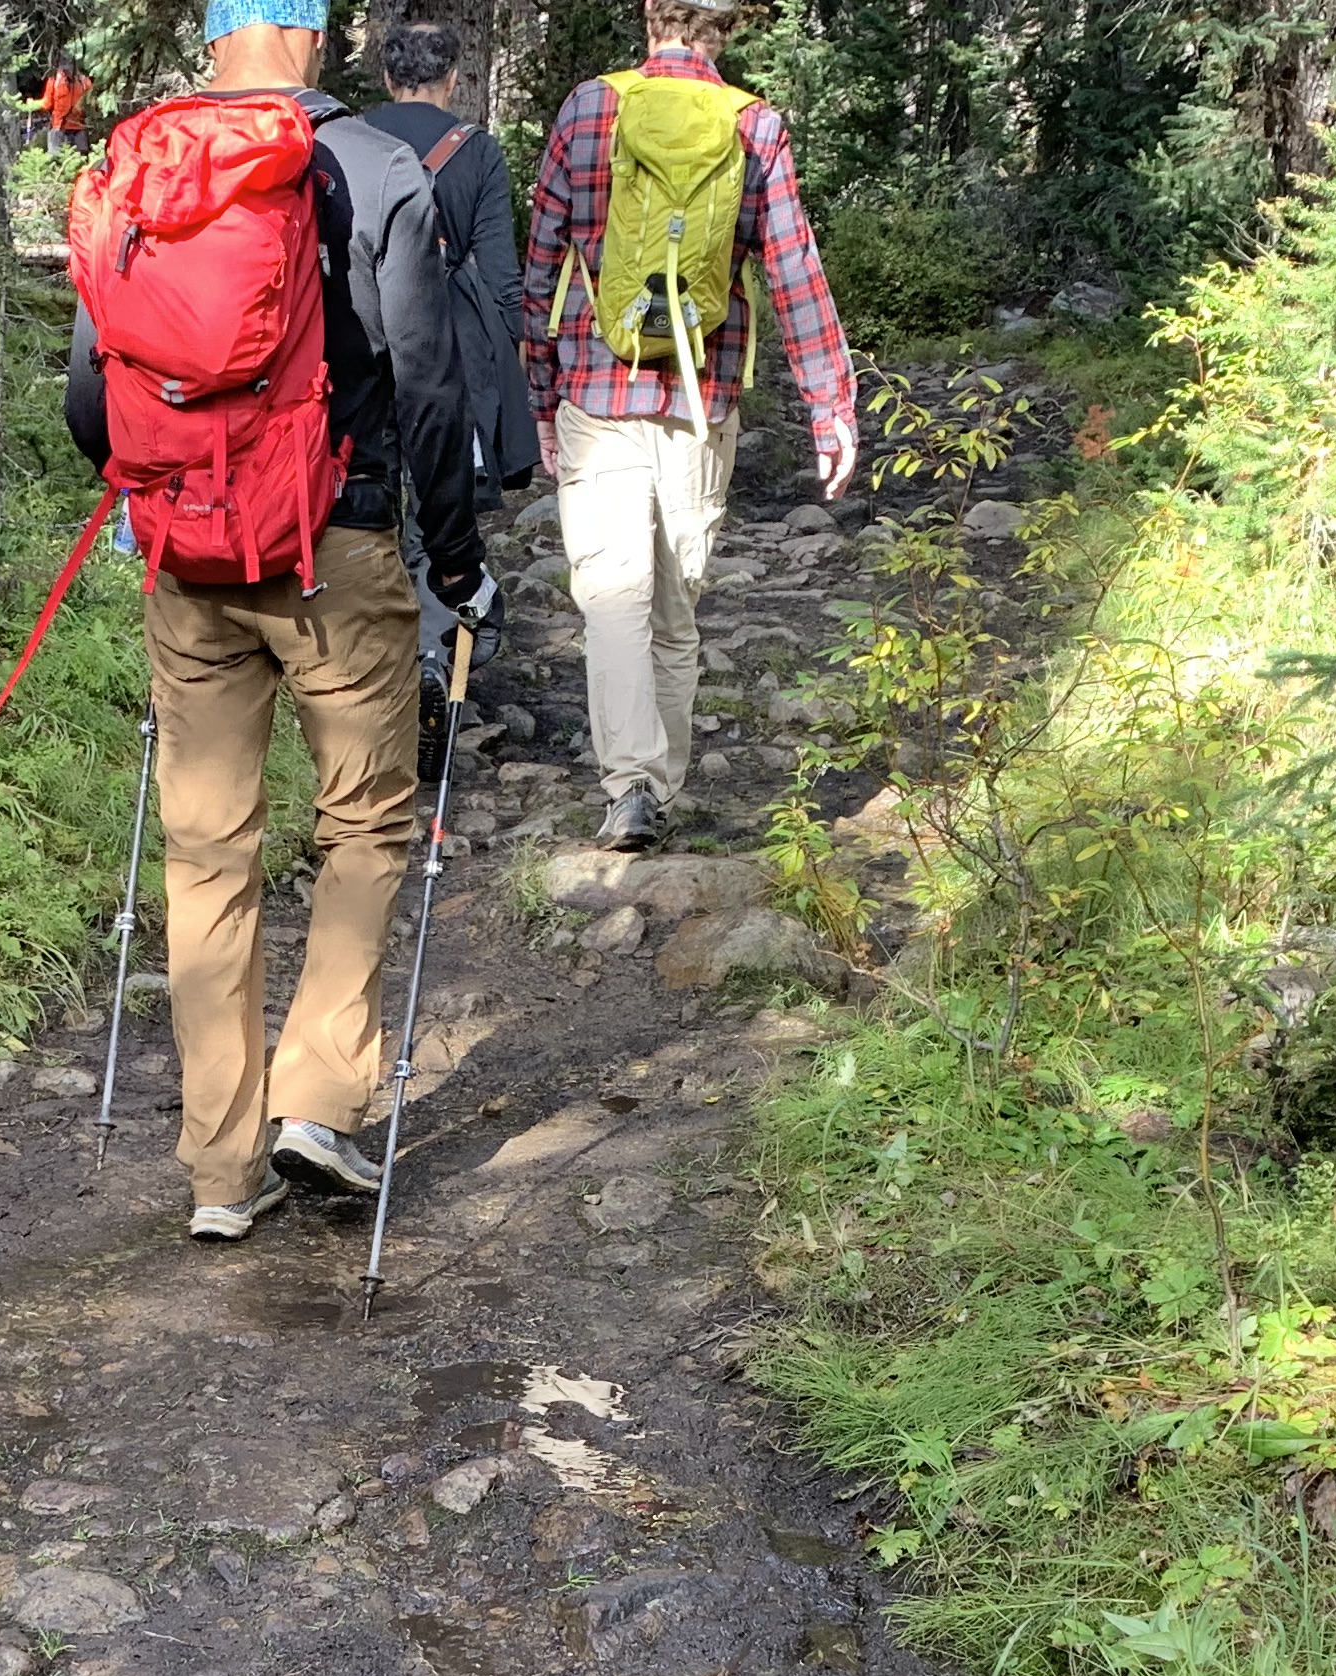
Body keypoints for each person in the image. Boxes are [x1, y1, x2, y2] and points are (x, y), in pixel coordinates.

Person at [60, 0, 496, 1243]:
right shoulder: (373, 162)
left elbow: (92, 401)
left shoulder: (140, 161)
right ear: (313, 36)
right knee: (364, 816)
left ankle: (217, 1172)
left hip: (187, 561)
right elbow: (424, 380)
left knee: (208, 853)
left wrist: (171, 480)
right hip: (333, 548)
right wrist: (455, 562)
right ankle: (318, 1099)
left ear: (215, 38)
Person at [520, 0, 857, 851]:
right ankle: (656, 791)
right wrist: (831, 406)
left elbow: (541, 269)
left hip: (598, 396)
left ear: (650, 19)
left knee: (612, 597)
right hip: (702, 403)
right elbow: (793, 269)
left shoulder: (588, 108)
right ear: (728, 30)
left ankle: (626, 785)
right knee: (674, 607)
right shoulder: (754, 125)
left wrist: (539, 394)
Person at [356, 19, 540, 786]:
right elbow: (501, 274)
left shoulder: (349, 139)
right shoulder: (479, 152)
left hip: (364, 343)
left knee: (372, 501)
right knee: (442, 498)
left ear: (384, 74)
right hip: (450, 348)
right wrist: (512, 366)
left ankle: (373, 675)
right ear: (453, 78)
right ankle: (432, 651)